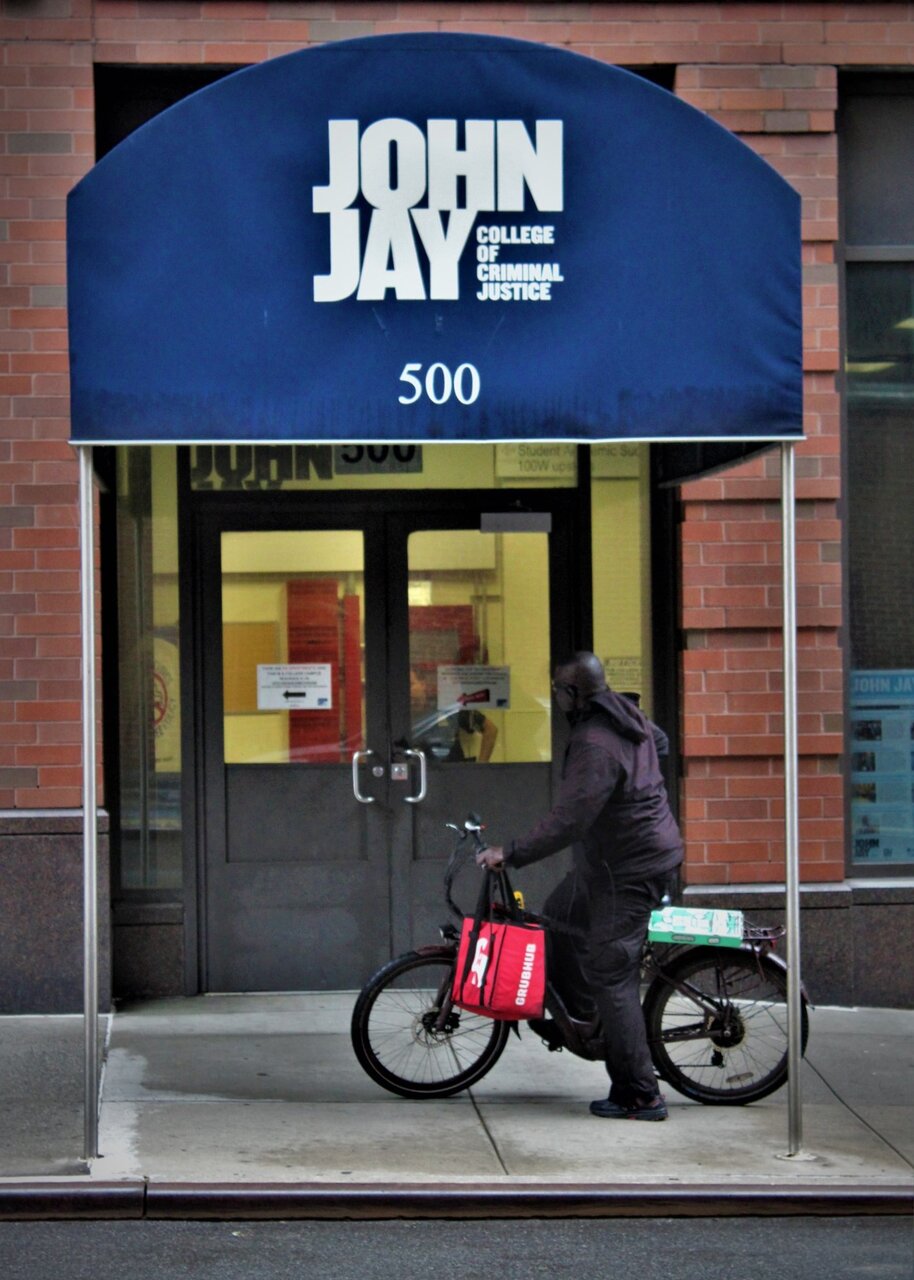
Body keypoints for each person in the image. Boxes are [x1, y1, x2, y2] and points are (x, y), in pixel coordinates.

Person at [476, 651, 683, 1121]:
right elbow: (661, 742)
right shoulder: (623, 714)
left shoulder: (595, 741)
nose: (554, 695)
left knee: (613, 976)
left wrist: (511, 852)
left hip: (629, 870)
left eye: (557, 688)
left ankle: (640, 1094)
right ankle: (582, 1018)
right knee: (556, 917)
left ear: (573, 692)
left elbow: (570, 820)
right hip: (609, 862)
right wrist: (639, 792)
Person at [410, 665, 498, 763]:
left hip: (453, 770)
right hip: (421, 770)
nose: (408, 691)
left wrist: (481, 765)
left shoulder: (446, 706)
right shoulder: (402, 717)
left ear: (422, 684)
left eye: (411, 684)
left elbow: (490, 729)